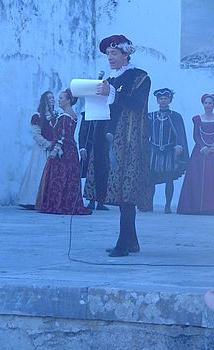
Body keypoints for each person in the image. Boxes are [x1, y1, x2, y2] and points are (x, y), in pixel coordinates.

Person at [84, 34, 151, 257]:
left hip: (129, 141)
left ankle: (124, 242)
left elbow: (137, 103)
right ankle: (131, 241)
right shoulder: (110, 80)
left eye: (114, 53)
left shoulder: (139, 77)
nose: (110, 58)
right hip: (108, 138)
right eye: (108, 54)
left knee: (127, 192)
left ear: (126, 54)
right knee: (118, 190)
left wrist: (111, 93)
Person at [35, 88, 91, 215]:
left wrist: (55, 149)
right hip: (71, 150)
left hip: (63, 151)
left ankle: (58, 204)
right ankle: (67, 203)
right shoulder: (73, 115)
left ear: (68, 101)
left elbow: (63, 135)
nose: (58, 100)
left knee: (60, 177)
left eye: (61, 98)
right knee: (68, 177)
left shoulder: (66, 116)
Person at [177, 94, 214, 215]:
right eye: (206, 103)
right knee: (197, 179)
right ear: (203, 104)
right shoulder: (197, 119)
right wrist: (203, 147)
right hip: (199, 153)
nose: (207, 105)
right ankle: (197, 207)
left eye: (210, 103)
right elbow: (196, 135)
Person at [148, 88, 189, 213]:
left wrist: (179, 145)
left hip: (169, 152)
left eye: (165, 98)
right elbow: (146, 134)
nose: (163, 101)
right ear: (157, 101)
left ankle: (167, 205)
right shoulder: (151, 116)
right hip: (154, 152)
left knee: (168, 179)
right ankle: (149, 204)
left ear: (169, 100)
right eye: (161, 99)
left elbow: (180, 134)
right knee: (151, 179)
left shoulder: (175, 116)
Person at [18, 91, 57, 209]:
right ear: (44, 100)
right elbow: (36, 135)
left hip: (52, 149)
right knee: (38, 174)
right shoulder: (38, 116)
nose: (52, 100)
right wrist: (47, 145)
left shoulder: (55, 116)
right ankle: (32, 200)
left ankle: (48, 201)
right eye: (49, 98)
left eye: (53, 97)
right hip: (41, 150)